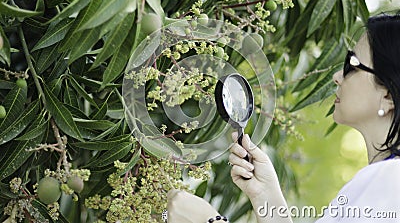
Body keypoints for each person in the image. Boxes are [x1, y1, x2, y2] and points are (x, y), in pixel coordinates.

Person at [167, 14, 400, 222]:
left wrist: (209, 220)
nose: (338, 76)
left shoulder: (390, 180)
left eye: (352, 65)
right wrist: (267, 199)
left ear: (388, 94)